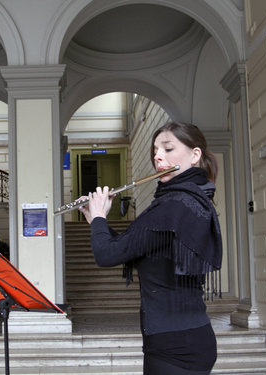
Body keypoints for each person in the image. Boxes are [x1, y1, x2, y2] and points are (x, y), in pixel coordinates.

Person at [79, 122, 223, 375]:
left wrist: (101, 217)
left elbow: (107, 255)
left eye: (168, 149)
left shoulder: (176, 204)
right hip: (178, 338)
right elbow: (130, 246)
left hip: (176, 347)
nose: (158, 156)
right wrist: (96, 219)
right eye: (155, 150)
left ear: (195, 155)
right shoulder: (181, 199)